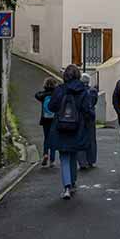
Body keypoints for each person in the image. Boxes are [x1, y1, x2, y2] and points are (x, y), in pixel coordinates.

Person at [48, 64, 96, 200]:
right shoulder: (82, 91)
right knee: (73, 154)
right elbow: (88, 110)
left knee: (64, 157)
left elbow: (51, 107)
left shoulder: (59, 90)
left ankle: (67, 187)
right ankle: (73, 183)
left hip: (61, 127)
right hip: (77, 127)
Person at [34, 77, 58, 167]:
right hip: (54, 119)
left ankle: (45, 154)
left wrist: (44, 91)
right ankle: (52, 160)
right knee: (53, 139)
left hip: (45, 119)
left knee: (46, 137)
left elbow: (37, 95)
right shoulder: (56, 95)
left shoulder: (43, 95)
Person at [77, 72, 99, 169]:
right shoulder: (93, 91)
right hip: (90, 116)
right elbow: (94, 102)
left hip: (80, 116)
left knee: (81, 137)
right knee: (91, 138)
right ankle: (91, 160)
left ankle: (82, 161)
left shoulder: (78, 91)